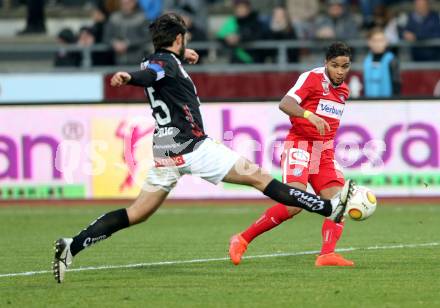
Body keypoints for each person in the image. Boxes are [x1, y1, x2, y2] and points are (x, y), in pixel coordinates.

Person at [52, 13, 356, 283]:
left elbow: (158, 69)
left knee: (137, 212)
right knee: (260, 178)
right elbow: (154, 74)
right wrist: (130, 78)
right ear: (179, 39)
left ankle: (73, 244)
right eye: (185, 39)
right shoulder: (161, 65)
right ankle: (327, 207)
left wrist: (180, 58)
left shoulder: (158, 60)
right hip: (194, 147)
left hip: (166, 150)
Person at [229, 42, 356, 267]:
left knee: (339, 202)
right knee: (294, 202)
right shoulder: (312, 78)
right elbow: (285, 103)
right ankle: (242, 239)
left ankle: (327, 254)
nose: (339, 71)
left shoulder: (344, 90)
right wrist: (309, 115)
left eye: (344, 66)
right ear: (326, 63)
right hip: (299, 144)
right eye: (335, 65)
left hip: (323, 151)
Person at [103, 0, 150, 65]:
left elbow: (147, 37)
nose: (125, 4)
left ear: (134, 2)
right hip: (116, 63)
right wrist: (114, 43)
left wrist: (128, 43)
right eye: (123, 3)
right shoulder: (113, 18)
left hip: (137, 62)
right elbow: (106, 37)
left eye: (128, 2)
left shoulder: (142, 18)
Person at [363, 27, 400, 97]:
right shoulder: (366, 61)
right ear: (369, 42)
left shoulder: (392, 60)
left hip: (387, 103)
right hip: (368, 103)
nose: (378, 44)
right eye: (375, 41)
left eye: (380, 40)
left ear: (386, 42)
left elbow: (397, 84)